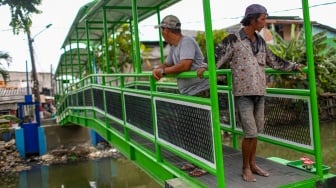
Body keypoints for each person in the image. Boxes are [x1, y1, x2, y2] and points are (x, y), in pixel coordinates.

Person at [197, 4, 304, 182]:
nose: (265, 22)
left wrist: (294, 66)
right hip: (243, 93)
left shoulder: (261, 41)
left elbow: (274, 61)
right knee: (250, 132)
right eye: (262, 19)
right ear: (252, 19)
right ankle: (245, 167)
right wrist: (204, 66)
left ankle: (253, 164)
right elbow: (217, 56)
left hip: (260, 91)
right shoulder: (233, 39)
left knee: (257, 132)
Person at [152, 15, 210, 177]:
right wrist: (158, 68)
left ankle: (205, 164)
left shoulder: (187, 42)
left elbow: (185, 65)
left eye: (162, 30)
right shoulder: (174, 47)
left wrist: (163, 71)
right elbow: (168, 64)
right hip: (186, 93)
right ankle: (194, 160)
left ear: (167, 30)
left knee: (201, 129)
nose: (162, 33)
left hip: (199, 90)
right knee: (186, 127)